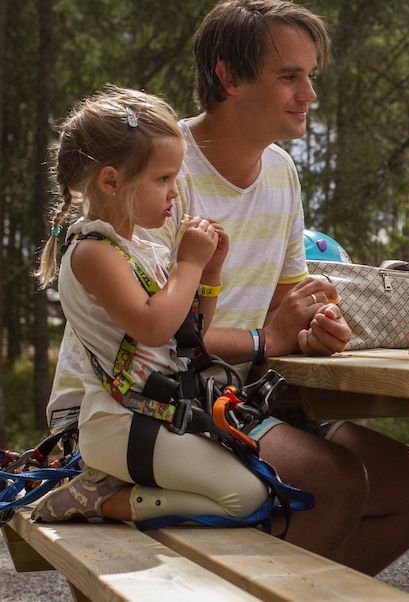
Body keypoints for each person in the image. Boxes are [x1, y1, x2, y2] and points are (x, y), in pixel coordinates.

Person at [44, 0, 409, 575]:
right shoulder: (156, 172)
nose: (308, 93)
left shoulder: (282, 172)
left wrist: (311, 332)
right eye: (290, 76)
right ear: (228, 77)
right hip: (138, 404)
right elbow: (161, 342)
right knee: (331, 484)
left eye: (310, 76)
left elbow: (282, 314)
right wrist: (268, 339)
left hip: (224, 393)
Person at [31, 86, 268, 525]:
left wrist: (209, 273)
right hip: (119, 424)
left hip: (153, 416)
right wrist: (189, 263)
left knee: (261, 483)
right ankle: (101, 501)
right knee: (249, 498)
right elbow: (152, 328)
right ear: (110, 180)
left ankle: (113, 487)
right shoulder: (93, 252)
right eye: (162, 179)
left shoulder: (138, 246)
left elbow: (185, 336)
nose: (174, 192)